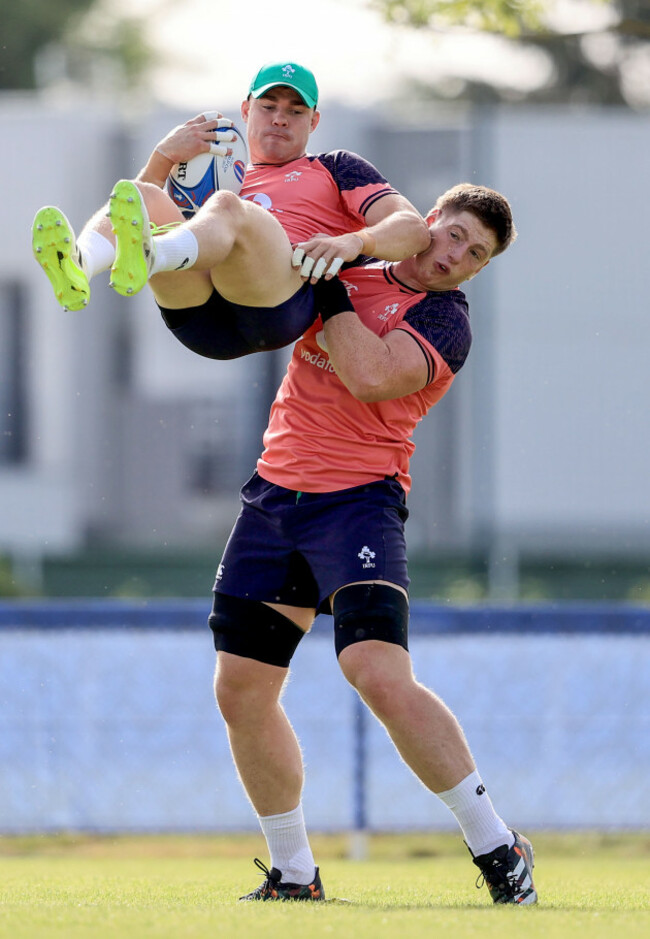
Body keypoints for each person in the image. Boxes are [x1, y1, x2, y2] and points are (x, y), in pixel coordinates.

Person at [199, 182, 537, 906]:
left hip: (358, 504)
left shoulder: (446, 322)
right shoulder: (355, 254)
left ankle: (497, 843)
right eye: (452, 235)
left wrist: (328, 283)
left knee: (376, 673)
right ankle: (294, 870)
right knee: (241, 691)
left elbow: (370, 373)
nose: (454, 257)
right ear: (427, 222)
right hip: (274, 497)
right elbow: (269, 254)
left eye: (474, 255)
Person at [31, 61, 429, 356]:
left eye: (295, 111)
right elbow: (131, 210)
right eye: (268, 105)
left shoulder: (335, 167)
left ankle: (155, 254)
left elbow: (413, 229)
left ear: (314, 121)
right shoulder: (213, 167)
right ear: (246, 109)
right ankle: (79, 265)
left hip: (277, 308)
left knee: (226, 206)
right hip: (201, 322)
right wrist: (162, 158)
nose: (280, 119)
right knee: (142, 192)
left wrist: (353, 241)